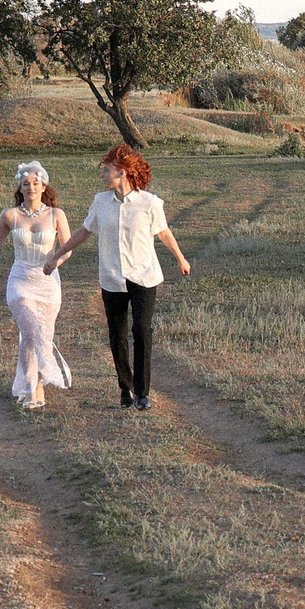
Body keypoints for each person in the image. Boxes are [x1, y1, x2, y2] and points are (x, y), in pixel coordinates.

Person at [45, 144, 190, 410]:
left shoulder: (150, 203)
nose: (102, 175)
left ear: (122, 172)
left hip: (144, 276)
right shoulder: (101, 202)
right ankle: (126, 387)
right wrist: (57, 255)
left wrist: (180, 258)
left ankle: (142, 394)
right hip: (112, 277)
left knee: (142, 330)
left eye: (106, 170)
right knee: (117, 335)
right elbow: (84, 232)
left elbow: (163, 232)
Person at [0, 159, 72, 411]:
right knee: (31, 331)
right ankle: (31, 387)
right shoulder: (10, 215)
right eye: (25, 184)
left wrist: (55, 262)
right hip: (20, 281)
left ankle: (37, 384)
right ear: (20, 188)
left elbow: (67, 248)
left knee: (43, 333)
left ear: (43, 187)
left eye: (35, 183)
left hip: (48, 282)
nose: (30, 187)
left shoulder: (56, 215)